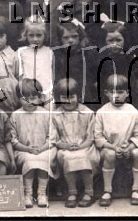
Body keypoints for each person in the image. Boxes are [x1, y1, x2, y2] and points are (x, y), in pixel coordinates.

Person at [94, 74, 138, 207]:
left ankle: (136, 189)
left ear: (127, 93)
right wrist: (112, 147)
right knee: (110, 155)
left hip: (128, 149)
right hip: (109, 150)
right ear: (106, 93)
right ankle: (107, 191)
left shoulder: (132, 111)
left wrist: (130, 147)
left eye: (120, 92)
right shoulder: (101, 112)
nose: (116, 96)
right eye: (112, 92)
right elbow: (98, 137)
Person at [10, 78, 59, 208]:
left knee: (44, 158)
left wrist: (42, 148)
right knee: (29, 159)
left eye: (33, 98)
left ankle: (42, 193)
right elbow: (13, 139)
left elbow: (52, 137)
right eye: (25, 98)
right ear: (19, 99)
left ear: (39, 98)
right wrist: (27, 148)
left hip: (44, 148)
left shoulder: (46, 114)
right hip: (24, 149)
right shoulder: (15, 115)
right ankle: (28, 194)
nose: (29, 102)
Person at [51, 78, 99, 208]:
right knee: (68, 157)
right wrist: (65, 146)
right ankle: (72, 192)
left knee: (83, 156)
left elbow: (91, 137)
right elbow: (54, 137)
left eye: (72, 96)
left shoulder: (87, 113)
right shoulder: (55, 115)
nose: (68, 101)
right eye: (64, 97)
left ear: (78, 96)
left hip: (85, 146)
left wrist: (81, 146)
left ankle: (89, 192)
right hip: (65, 147)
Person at [95, 22, 138, 112]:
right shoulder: (102, 62)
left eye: (118, 40)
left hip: (128, 101)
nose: (115, 44)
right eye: (111, 41)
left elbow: (136, 84)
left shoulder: (131, 61)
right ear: (105, 41)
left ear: (124, 40)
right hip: (108, 102)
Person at [15, 18, 54, 110]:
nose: (35, 39)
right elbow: (19, 75)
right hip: (29, 94)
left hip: (47, 93)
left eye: (39, 35)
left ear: (45, 35)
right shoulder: (21, 52)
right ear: (25, 35)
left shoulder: (50, 51)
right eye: (31, 35)